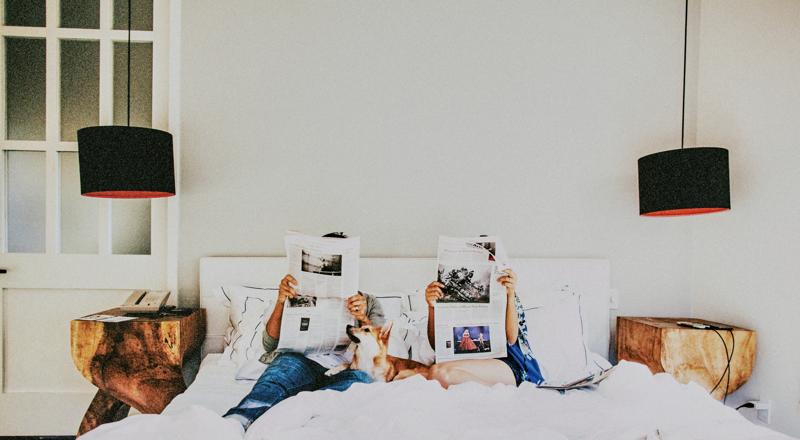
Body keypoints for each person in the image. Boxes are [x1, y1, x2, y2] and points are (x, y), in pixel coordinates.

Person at [223, 233, 385, 430]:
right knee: (274, 382)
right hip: (299, 361)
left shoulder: (368, 302)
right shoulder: (294, 294)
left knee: (361, 382)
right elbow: (269, 344)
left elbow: (380, 352)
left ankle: (307, 427)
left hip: (348, 369)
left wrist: (362, 318)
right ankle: (235, 424)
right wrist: (281, 301)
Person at [425, 268, 543, 388]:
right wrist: (431, 307)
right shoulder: (445, 289)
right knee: (434, 373)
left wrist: (511, 294)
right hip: (460, 360)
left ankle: (507, 397)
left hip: (506, 362)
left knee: (439, 374)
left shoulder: (502, 286)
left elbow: (512, 339)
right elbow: (437, 345)